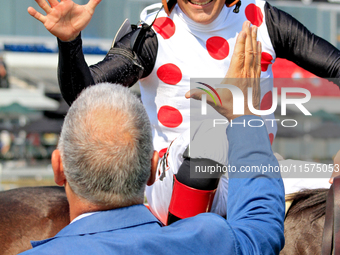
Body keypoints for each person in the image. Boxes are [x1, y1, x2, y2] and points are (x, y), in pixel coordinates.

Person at [27, 0, 339, 223]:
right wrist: (70, 43)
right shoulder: (151, 35)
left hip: (250, 168)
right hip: (174, 174)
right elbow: (85, 95)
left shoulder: (264, 19)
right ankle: (179, 242)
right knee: (210, 136)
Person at [19, 29, 285, 254]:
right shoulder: (209, 240)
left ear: (58, 167)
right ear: (152, 169)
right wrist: (244, 115)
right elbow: (259, 228)